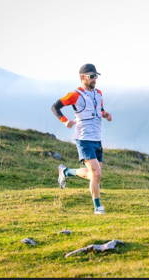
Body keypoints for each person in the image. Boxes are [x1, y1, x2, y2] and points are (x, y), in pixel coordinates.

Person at [51, 63, 112, 214]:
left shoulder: (98, 93)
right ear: (82, 77)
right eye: (92, 77)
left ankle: (65, 172)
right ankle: (98, 207)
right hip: (83, 139)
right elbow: (55, 107)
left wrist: (105, 114)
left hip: (97, 139)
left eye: (96, 76)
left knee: (94, 175)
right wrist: (65, 121)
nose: (95, 79)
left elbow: (100, 109)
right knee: (96, 174)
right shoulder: (75, 95)